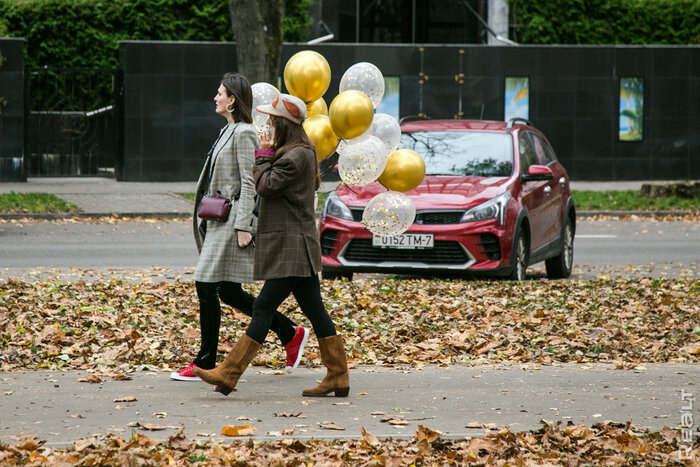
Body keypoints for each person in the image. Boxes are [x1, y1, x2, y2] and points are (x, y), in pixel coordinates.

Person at [194, 94, 350, 398]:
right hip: (293, 244)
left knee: (264, 306)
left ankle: (228, 373)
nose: (266, 124)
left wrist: (263, 153)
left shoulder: (296, 155)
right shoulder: (294, 150)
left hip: (292, 245)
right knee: (315, 311)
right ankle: (338, 375)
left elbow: (265, 186)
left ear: (284, 123)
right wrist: (268, 152)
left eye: (271, 119)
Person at [171, 75, 308, 381]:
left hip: (232, 221)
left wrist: (244, 226)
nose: (215, 98)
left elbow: (250, 183)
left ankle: (204, 361)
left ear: (232, 99)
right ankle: (290, 332)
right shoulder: (227, 130)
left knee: (205, 284)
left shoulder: (244, 133)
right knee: (229, 291)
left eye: (219, 93)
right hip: (219, 220)